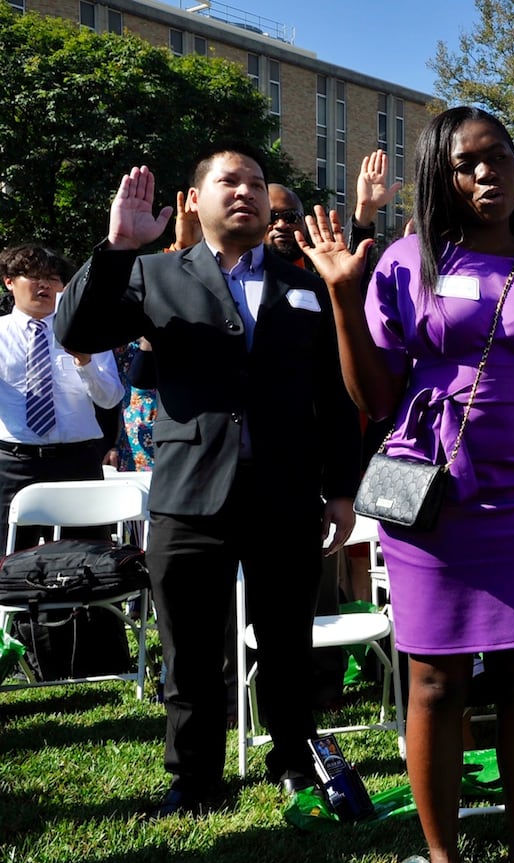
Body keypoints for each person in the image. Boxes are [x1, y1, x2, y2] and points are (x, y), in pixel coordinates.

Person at [299, 106, 514, 863]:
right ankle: (442, 858)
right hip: (429, 500)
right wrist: (343, 298)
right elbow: (374, 396)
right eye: (468, 164)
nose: (488, 174)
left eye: (499, 158)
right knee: (432, 682)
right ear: (441, 175)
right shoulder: (402, 262)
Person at [53, 144, 361, 815]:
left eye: (255, 181)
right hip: (190, 492)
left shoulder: (304, 283)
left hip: (284, 493)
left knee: (287, 644)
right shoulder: (155, 276)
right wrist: (117, 247)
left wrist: (340, 487)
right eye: (229, 181)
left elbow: (333, 395)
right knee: (189, 650)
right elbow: (75, 326)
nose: (245, 191)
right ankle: (194, 779)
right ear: (196, 201)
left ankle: (292, 761)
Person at [0, 244, 123, 548]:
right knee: (8, 562)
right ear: (9, 281)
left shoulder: (86, 332)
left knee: (88, 564)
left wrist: (85, 361)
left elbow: (110, 398)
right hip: (13, 463)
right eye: (34, 275)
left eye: (53, 278)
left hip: (78, 462)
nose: (44, 284)